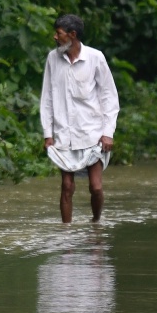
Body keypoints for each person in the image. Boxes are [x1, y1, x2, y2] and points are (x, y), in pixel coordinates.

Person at [40, 13, 120, 224]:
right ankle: (67, 233)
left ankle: (96, 223)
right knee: (67, 186)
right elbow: (47, 98)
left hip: (92, 133)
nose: (55, 37)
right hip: (64, 134)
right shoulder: (52, 59)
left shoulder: (95, 58)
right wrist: (48, 133)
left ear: (72, 35)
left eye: (59, 33)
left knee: (96, 187)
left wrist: (107, 133)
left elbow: (109, 97)